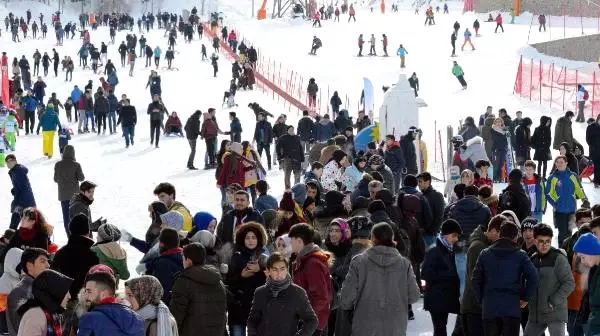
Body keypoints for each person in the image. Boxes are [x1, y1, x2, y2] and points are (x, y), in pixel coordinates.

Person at [340, 222, 420, 335]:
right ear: (392, 238)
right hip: (395, 326)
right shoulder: (404, 264)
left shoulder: (359, 262)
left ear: (372, 238)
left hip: (365, 325)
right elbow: (414, 296)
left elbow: (346, 298)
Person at [472, 222, 539, 336]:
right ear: (515, 237)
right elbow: (534, 277)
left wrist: (482, 299)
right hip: (512, 308)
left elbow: (475, 279)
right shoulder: (520, 255)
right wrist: (526, 298)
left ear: (500, 234)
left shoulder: (485, 254)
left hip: (490, 308)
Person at [247, 252, 318, 336]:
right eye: (275, 269)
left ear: (287, 270)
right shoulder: (260, 292)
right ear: (268, 271)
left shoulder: (298, 293)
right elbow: (252, 320)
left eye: (282, 269)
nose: (279, 273)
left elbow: (312, 320)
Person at [524, 223, 574, 336]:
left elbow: (569, 283)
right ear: (535, 240)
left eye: (548, 241)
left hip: (555, 313)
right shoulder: (533, 259)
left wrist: (553, 301)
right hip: (536, 314)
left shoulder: (558, 258)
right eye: (541, 241)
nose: (544, 245)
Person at [170, 242, 227, 336]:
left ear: (188, 260)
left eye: (183, 258)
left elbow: (176, 315)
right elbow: (222, 313)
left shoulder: (183, 282)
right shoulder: (218, 282)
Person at [288, 224, 332, 335]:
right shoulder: (303, 260)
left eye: (291, 240)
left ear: (299, 240)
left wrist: (309, 324)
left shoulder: (312, 263)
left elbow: (320, 297)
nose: (290, 244)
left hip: (313, 326)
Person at [225, 222, 268, 336]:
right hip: (238, 308)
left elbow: (273, 281)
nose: (250, 240)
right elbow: (228, 281)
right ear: (242, 239)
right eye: (247, 238)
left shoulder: (264, 259)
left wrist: (260, 270)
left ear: (259, 239)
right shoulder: (236, 257)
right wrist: (241, 276)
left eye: (253, 237)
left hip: (259, 308)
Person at [423, 219, 462, 336]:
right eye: (454, 236)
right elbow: (426, 273)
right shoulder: (434, 250)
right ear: (445, 234)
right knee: (440, 329)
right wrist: (449, 275)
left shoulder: (449, 249)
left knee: (442, 327)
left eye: (457, 236)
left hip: (444, 297)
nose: (456, 239)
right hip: (436, 298)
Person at [77, 272, 144, 335]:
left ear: (104, 294)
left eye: (89, 291)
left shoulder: (89, 318)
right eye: (85, 291)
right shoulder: (136, 318)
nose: (85, 295)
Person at [52, 213, 99, 300]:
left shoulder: (60, 253)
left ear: (70, 230)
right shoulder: (92, 256)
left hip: (61, 300)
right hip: (83, 301)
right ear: (88, 232)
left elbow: (53, 279)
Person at [6, 247, 50, 336]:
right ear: (30, 266)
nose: (48, 265)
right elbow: (20, 329)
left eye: (47, 261)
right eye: (42, 261)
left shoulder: (36, 289)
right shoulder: (20, 292)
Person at [546, 156, 587, 246]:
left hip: (572, 210)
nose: (559, 164)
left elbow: (579, 189)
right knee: (562, 233)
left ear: (566, 163)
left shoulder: (573, 176)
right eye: (557, 162)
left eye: (561, 162)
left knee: (569, 233)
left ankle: (568, 253)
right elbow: (548, 194)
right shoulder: (552, 178)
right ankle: (562, 252)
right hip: (559, 211)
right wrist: (556, 204)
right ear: (555, 164)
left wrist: (584, 200)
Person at [17, 269, 72, 336]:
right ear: (54, 292)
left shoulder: (52, 314)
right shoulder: (36, 315)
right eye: (66, 291)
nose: (69, 296)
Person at [145, 228, 183, 304]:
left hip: (166, 306)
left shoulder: (163, 263)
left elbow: (161, 290)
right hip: (179, 302)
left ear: (162, 243)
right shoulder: (183, 256)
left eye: (160, 242)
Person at [54, 145, 85, 235]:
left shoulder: (58, 164)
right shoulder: (76, 164)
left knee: (66, 217)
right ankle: (78, 235)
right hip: (75, 196)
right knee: (76, 216)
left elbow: (55, 179)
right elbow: (81, 178)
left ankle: (69, 236)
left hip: (63, 195)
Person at [5, 154, 36, 230]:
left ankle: (9, 240)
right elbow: (21, 186)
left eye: (11, 161)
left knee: (14, 226)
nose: (9, 163)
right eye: (7, 162)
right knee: (28, 227)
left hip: (24, 203)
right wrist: (14, 189)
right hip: (25, 202)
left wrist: (15, 193)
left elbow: (23, 187)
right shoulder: (16, 170)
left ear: (15, 161)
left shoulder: (17, 171)